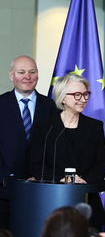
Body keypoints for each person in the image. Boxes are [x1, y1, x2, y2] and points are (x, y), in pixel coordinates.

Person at [30, 73, 105, 230]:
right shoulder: (45, 128)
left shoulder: (94, 127)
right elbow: (36, 166)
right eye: (77, 95)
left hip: (87, 202)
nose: (83, 99)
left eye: (86, 94)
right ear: (63, 99)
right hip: (53, 202)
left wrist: (84, 180)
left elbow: (102, 163)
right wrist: (62, 179)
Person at [0, 55, 57, 229]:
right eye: (22, 72)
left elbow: (55, 147)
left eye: (32, 72)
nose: (28, 77)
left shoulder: (49, 106)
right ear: (11, 76)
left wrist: (42, 175)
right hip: (4, 191)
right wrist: (6, 177)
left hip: (41, 190)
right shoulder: (0, 104)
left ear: (38, 75)